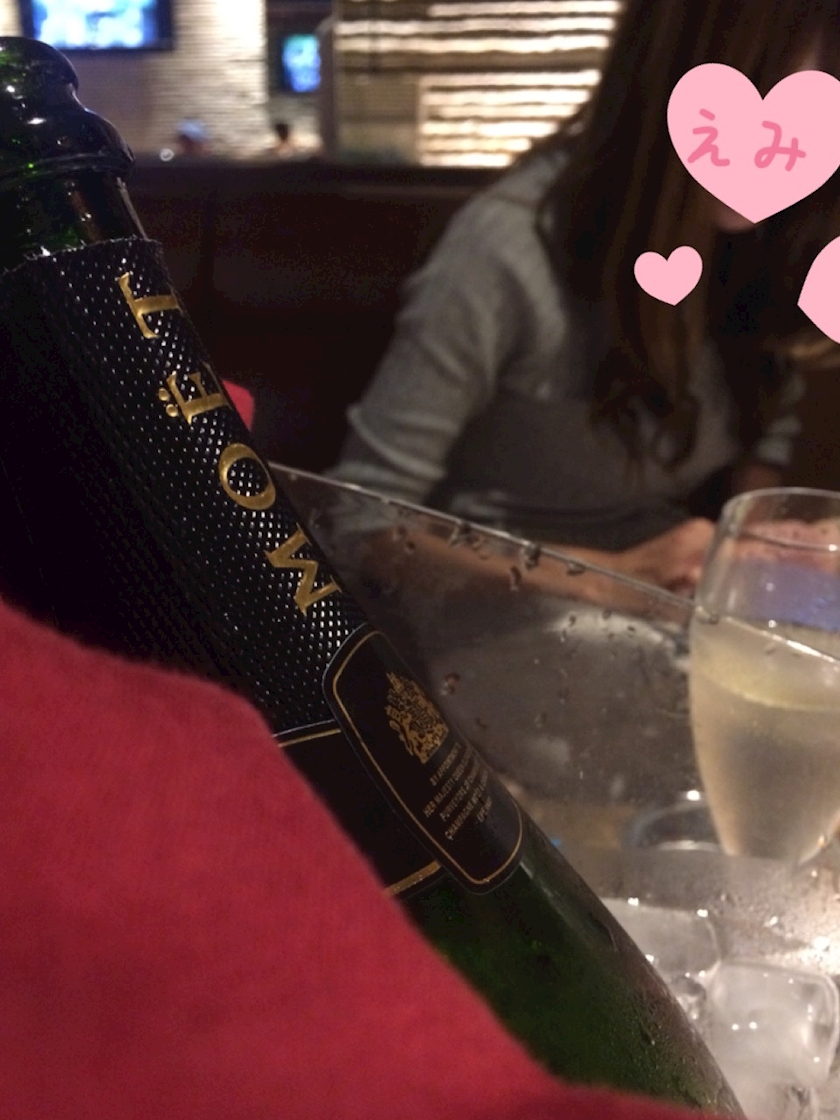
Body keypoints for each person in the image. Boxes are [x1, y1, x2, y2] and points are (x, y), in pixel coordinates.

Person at [329, 0, 840, 595]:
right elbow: (361, 526)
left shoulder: (772, 242)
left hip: (670, 601)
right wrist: (616, 580)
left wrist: (757, 540)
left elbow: (770, 425)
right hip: (492, 606)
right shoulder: (510, 245)